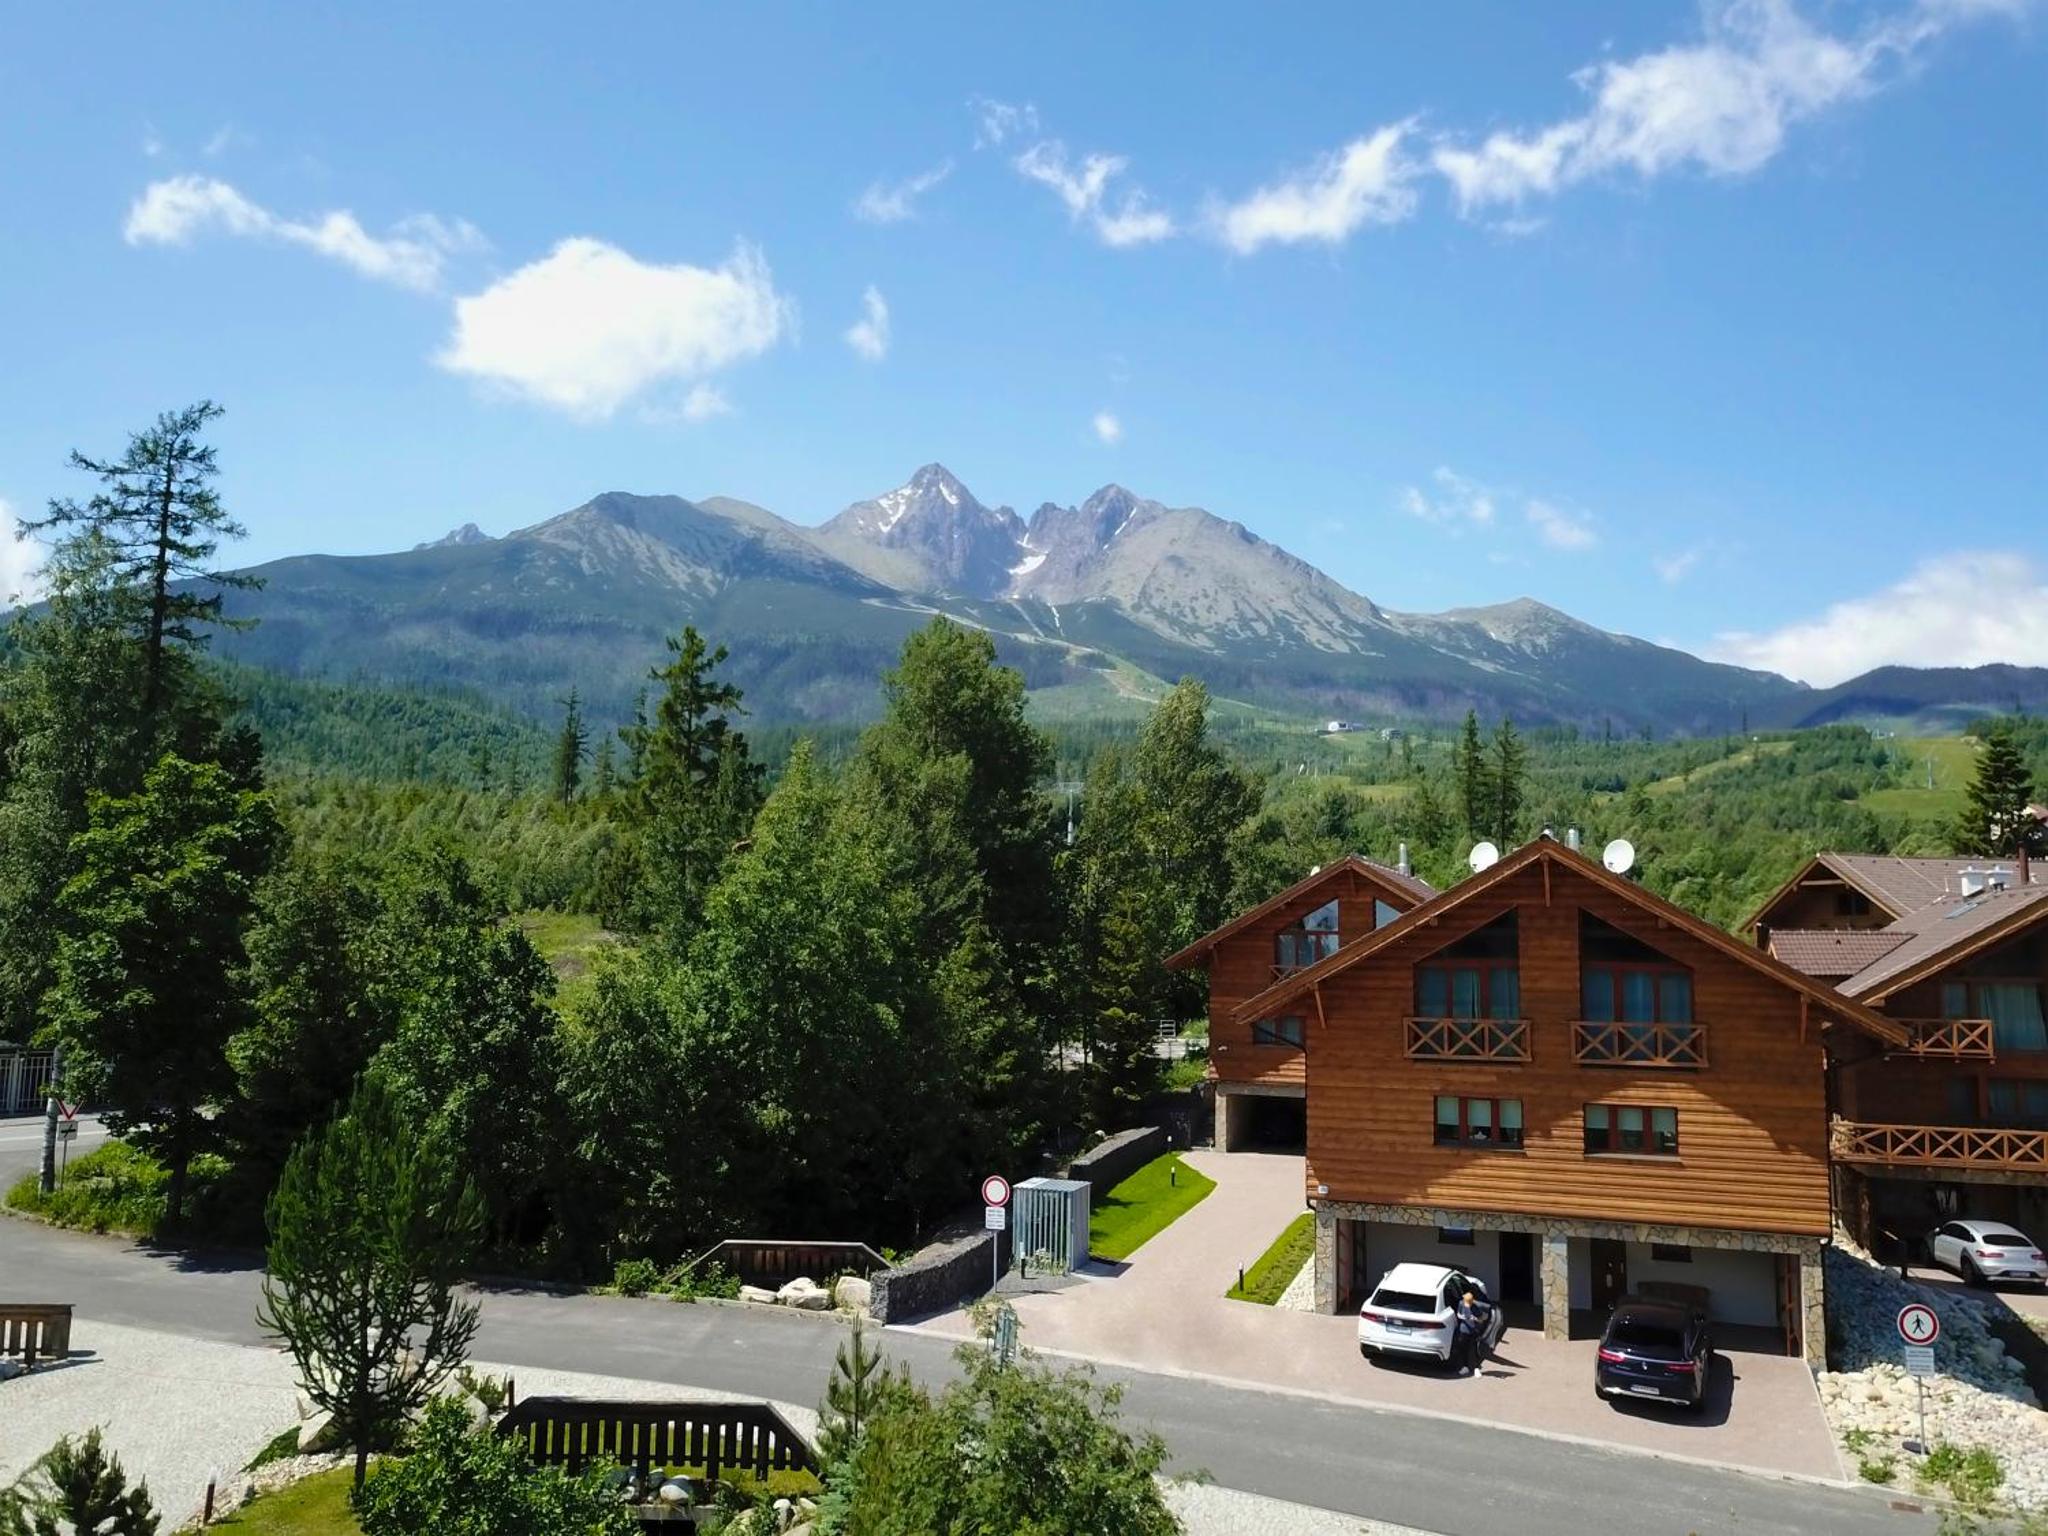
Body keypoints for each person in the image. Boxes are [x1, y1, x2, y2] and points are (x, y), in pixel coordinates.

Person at [1453, 1288, 1494, 1376]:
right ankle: (1465, 1367)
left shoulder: (1475, 1308)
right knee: (1462, 1349)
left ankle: (1476, 1368)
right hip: (1463, 1330)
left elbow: (1481, 1319)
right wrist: (1463, 1317)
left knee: (1474, 1350)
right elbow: (1458, 1314)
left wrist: (1475, 1319)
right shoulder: (1461, 1303)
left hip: (1472, 1331)